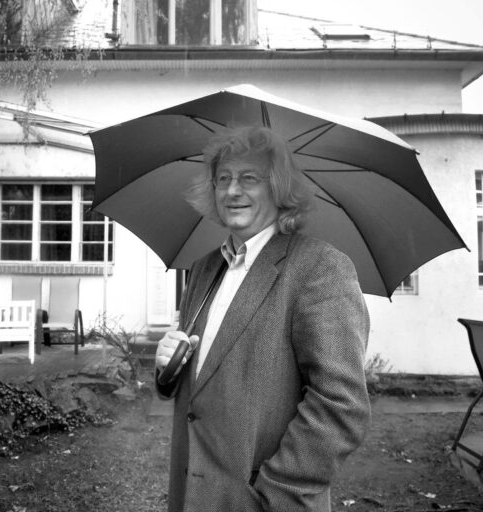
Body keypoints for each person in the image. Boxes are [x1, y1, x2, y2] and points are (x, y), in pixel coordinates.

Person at [155, 125, 371, 512]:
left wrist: (277, 491)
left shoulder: (319, 267)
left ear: (278, 187)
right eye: (223, 178)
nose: (232, 191)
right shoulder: (204, 269)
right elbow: (203, 382)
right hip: (192, 495)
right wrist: (168, 371)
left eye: (249, 178)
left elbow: (341, 405)